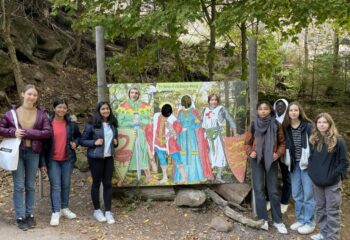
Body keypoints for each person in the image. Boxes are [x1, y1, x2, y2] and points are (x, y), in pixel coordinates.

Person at [0, 84, 51, 231]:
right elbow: (1, 128)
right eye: (29, 94)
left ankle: (30, 214)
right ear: (23, 94)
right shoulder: (11, 114)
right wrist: (12, 132)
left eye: (35, 95)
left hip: (33, 152)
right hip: (17, 153)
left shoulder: (41, 114)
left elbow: (47, 133)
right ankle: (20, 217)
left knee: (30, 186)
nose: (32, 97)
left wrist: (27, 132)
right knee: (19, 185)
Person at [244, 101, 288, 234]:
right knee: (258, 189)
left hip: (272, 160)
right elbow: (247, 143)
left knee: (273, 190)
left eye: (266, 109)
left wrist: (278, 153)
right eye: (261, 109)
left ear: (270, 111)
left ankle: (278, 221)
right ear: (257, 111)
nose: (263, 111)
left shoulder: (276, 124)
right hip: (256, 160)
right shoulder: (253, 124)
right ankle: (263, 219)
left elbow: (282, 143)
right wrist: (250, 151)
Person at [40, 99, 81, 226]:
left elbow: (79, 137)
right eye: (59, 107)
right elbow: (42, 144)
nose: (62, 110)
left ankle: (64, 208)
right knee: (56, 186)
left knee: (66, 184)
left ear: (67, 110)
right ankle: (55, 212)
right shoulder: (48, 123)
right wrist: (42, 163)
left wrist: (76, 143)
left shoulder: (71, 124)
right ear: (54, 108)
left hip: (67, 159)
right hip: (52, 160)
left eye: (64, 107)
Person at [308, 113, 349, 240]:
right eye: (319, 122)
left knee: (332, 211)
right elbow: (312, 159)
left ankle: (332, 237)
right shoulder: (314, 139)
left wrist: (333, 176)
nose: (321, 124)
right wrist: (312, 173)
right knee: (320, 209)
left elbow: (344, 162)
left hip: (332, 183)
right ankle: (323, 233)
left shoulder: (338, 140)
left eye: (325, 122)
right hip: (317, 182)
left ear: (330, 124)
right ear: (316, 124)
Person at [80, 101, 118, 224]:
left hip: (108, 158)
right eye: (103, 109)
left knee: (107, 184)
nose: (106, 111)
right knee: (96, 183)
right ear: (98, 111)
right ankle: (97, 210)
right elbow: (82, 140)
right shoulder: (92, 124)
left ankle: (108, 211)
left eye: (107, 109)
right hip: (95, 158)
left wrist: (115, 143)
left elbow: (113, 140)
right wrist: (94, 143)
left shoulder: (112, 124)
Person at [282, 102, 315, 234]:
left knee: (308, 195)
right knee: (296, 194)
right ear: (288, 113)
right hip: (293, 165)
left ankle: (310, 222)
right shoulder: (286, 128)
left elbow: (315, 145)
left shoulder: (308, 127)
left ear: (300, 112)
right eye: (291, 110)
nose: (293, 112)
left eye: (296, 110)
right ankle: (301, 219)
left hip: (307, 165)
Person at [116, 87, 156, 184]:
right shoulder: (123, 106)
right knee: (128, 153)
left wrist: (140, 122)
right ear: (129, 93)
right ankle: (121, 178)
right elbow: (120, 122)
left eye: (136, 93)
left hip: (140, 133)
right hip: (128, 133)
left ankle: (149, 177)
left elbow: (148, 120)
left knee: (142, 152)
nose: (134, 94)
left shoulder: (144, 106)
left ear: (139, 95)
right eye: (132, 92)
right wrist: (132, 123)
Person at [202, 94, 237, 183]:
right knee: (208, 156)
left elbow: (230, 120)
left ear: (217, 101)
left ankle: (218, 176)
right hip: (206, 136)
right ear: (209, 101)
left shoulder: (221, 109)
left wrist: (235, 133)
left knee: (220, 155)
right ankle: (209, 175)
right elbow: (199, 123)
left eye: (215, 100)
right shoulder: (204, 110)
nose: (213, 102)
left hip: (217, 135)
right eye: (212, 100)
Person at [176, 95, 210, 183]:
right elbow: (177, 124)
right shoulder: (180, 113)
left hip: (190, 135)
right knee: (183, 153)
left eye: (187, 101)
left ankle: (194, 176)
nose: (186, 103)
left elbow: (198, 123)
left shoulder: (193, 112)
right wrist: (182, 128)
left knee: (193, 153)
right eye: (185, 101)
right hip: (183, 136)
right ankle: (183, 177)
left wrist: (190, 127)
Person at [153, 104, 187, 183]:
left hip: (169, 142)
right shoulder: (156, 116)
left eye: (167, 115)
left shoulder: (172, 118)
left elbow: (179, 128)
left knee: (177, 157)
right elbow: (154, 127)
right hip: (158, 142)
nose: (165, 117)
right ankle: (165, 177)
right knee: (162, 159)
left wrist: (172, 134)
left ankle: (184, 177)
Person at [270, 98, 291, 214]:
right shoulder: (272, 119)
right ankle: (269, 199)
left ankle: (284, 201)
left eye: (282, 106)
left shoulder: (288, 120)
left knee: (286, 177)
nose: (280, 107)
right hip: (272, 152)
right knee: (270, 176)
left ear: (286, 107)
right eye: (278, 105)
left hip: (285, 152)